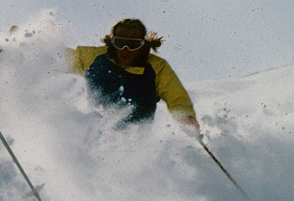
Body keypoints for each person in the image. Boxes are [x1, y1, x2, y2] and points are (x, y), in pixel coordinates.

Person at [69, 19, 199, 134]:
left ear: (142, 46)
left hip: (134, 140)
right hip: (95, 133)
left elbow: (176, 97)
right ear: (112, 42)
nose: (126, 50)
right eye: (120, 43)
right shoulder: (94, 57)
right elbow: (59, 58)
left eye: (133, 45)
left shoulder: (157, 67)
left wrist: (186, 117)